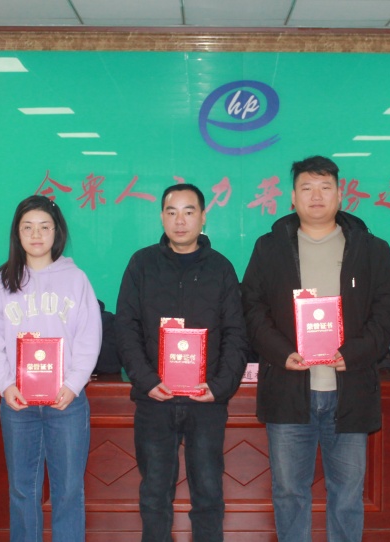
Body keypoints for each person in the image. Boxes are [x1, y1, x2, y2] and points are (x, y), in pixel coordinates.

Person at [241, 155, 390, 541]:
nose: (316, 196)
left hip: (350, 390)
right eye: (307, 188)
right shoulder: (269, 248)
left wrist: (356, 352)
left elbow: (387, 310)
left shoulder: (371, 249)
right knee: (289, 492)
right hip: (289, 389)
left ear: (340, 194)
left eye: (325, 187)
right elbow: (252, 308)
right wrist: (281, 352)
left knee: (347, 495)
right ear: (292, 197)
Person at [115, 183, 248, 542]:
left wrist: (219, 387)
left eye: (189, 212)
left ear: (203, 217)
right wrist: (146, 380)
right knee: (154, 494)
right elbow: (125, 327)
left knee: (208, 493)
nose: (180, 220)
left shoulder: (221, 268)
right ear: (161, 217)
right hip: (154, 400)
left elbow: (237, 333)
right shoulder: (142, 264)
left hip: (206, 401)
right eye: (172, 212)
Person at [0, 195, 101, 541]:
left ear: (56, 232)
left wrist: (73, 385)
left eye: (44, 227)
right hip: (18, 402)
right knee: (22, 490)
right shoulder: (3, 281)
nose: (36, 235)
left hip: (66, 402)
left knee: (68, 491)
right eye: (27, 227)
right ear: (17, 233)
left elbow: (89, 338)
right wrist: (5, 385)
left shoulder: (76, 279)